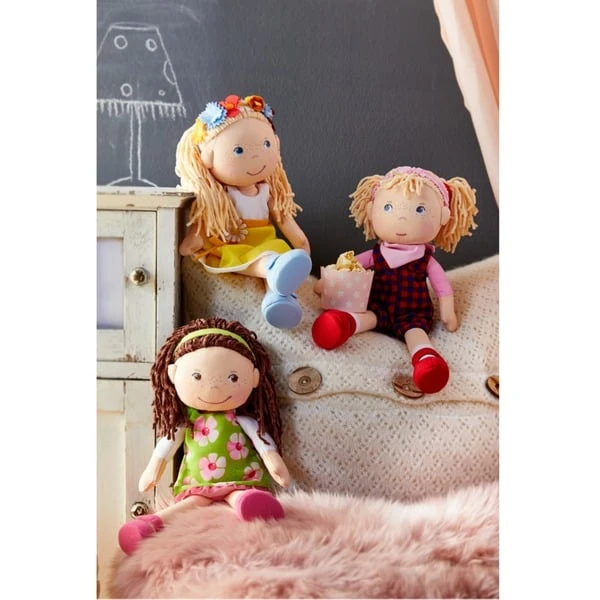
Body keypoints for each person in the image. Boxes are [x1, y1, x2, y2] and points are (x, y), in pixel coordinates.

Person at [118, 317, 291, 555]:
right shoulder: (187, 422)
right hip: (198, 484)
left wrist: (276, 466)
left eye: (233, 378)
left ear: (253, 378)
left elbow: (264, 444)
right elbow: (165, 447)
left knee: (239, 495)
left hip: (241, 479)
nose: (214, 388)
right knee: (191, 504)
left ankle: (249, 503)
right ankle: (149, 524)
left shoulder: (243, 420)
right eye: (197, 377)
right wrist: (152, 471)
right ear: (173, 374)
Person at [311, 166, 478, 394]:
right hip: (377, 307)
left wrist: (448, 313)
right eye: (388, 207)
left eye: (420, 209)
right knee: (366, 317)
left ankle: (427, 363)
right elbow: (346, 267)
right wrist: (327, 283)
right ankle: (339, 325)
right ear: (371, 210)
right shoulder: (375, 254)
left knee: (416, 333)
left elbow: (442, 288)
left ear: (443, 216)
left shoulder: (426, 259)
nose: (401, 218)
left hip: (412, 314)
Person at [175, 94, 312, 329]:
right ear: (208, 157)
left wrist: (301, 244)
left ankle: (278, 300)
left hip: (266, 241)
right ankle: (272, 270)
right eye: (238, 150)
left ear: (276, 144)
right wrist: (196, 238)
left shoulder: (268, 191)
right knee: (263, 260)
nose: (257, 156)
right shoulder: (218, 197)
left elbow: (283, 218)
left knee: (276, 253)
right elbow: (205, 218)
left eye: (266, 145)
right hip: (233, 244)